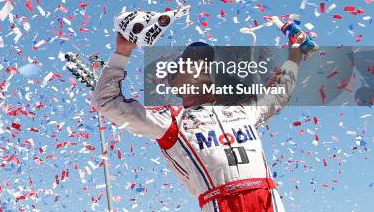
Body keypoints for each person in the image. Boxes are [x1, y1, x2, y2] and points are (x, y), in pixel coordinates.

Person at [92, 33, 304, 212]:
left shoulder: (243, 110)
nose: (202, 64)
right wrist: (123, 51)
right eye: (192, 62)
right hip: (220, 203)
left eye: (206, 61)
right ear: (175, 82)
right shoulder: (170, 120)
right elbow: (106, 101)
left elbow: (280, 93)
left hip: (269, 200)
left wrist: (295, 54)